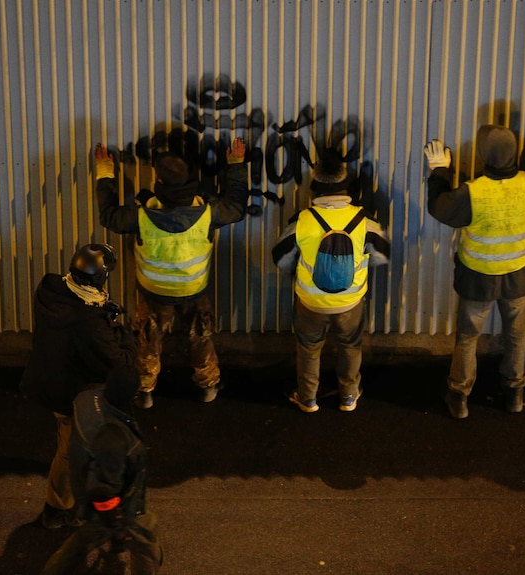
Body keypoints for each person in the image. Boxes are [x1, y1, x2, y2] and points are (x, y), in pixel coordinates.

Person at [95, 138, 250, 408]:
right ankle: (208, 387)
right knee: (200, 338)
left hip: (154, 293)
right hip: (194, 290)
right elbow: (236, 208)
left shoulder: (142, 215)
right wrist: (236, 164)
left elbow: (109, 216)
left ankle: (144, 393)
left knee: (148, 340)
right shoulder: (206, 212)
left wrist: (105, 169)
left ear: (160, 183)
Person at [423, 126, 525, 419]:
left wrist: (439, 171)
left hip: (478, 278)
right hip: (519, 276)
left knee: (467, 337)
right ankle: (515, 395)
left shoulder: (473, 191)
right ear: (516, 153)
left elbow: (440, 208)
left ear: (482, 154)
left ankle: (459, 397)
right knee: (516, 337)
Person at [20, 243, 138, 529]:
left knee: (72, 446)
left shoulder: (51, 290)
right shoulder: (90, 322)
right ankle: (57, 509)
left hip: (49, 380)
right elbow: (118, 361)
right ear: (99, 278)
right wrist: (126, 334)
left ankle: (70, 501)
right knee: (69, 450)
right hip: (71, 395)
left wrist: (100, 312)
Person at [272, 147, 390, 413]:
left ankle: (307, 399)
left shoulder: (302, 220)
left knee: (309, 349)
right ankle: (348, 396)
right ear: (345, 186)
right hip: (349, 302)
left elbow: (280, 259)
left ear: (315, 188)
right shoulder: (364, 221)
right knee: (350, 347)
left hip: (310, 302)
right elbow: (383, 256)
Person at [41, 365, 162, 574]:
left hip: (86, 492)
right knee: (146, 540)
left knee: (81, 543)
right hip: (119, 507)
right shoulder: (114, 437)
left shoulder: (88, 398)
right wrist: (116, 522)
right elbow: (103, 488)